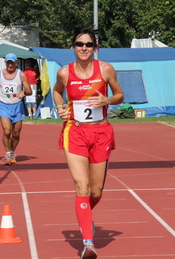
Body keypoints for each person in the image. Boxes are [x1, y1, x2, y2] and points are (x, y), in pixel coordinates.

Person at [53, 26, 124, 259]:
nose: (84, 48)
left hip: (101, 133)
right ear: (72, 47)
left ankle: (84, 216)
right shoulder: (64, 72)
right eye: (79, 44)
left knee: (96, 191)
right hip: (75, 132)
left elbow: (120, 95)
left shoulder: (105, 69)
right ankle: (88, 243)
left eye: (89, 44)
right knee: (81, 187)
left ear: (95, 48)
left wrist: (108, 99)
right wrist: (60, 108)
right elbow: (56, 92)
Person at [0, 53, 32, 165]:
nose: (10, 64)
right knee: (7, 131)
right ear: (5, 63)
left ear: (16, 63)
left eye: (12, 62)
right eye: (8, 62)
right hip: (4, 105)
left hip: (17, 106)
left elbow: (30, 91)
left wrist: (24, 92)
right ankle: (8, 154)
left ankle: (12, 152)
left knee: (16, 133)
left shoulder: (21, 75)